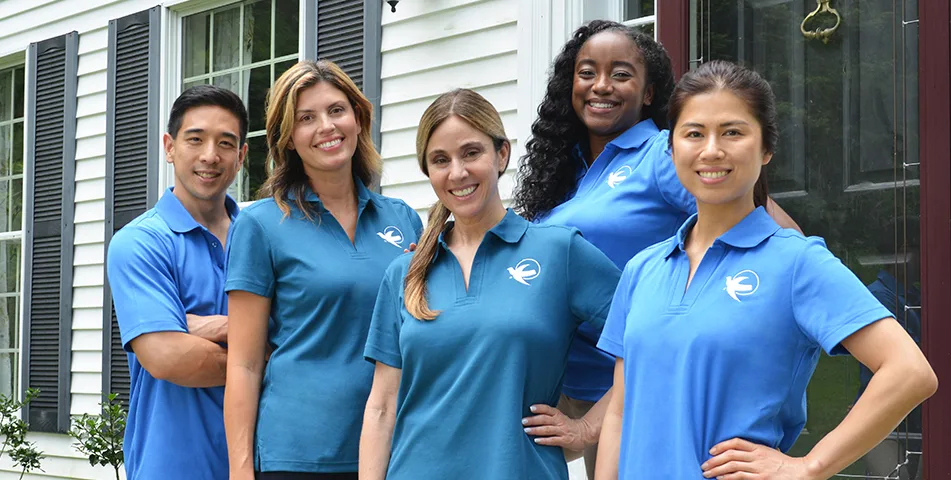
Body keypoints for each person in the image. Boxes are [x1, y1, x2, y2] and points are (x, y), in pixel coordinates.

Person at [594, 60, 937, 479]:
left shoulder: (796, 262)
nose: (712, 149)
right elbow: (620, 411)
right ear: (672, 149)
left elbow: (909, 372)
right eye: (694, 133)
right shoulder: (641, 269)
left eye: (733, 132)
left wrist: (810, 466)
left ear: (766, 149)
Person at [513, 20, 799, 478]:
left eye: (621, 74)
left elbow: (776, 235)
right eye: (587, 72)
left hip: (627, 394)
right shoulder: (563, 172)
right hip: (560, 381)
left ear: (649, 94)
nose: (601, 85)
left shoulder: (658, 155)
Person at [358, 88, 621, 480]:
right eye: (440, 160)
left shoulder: (559, 252)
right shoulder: (406, 271)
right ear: (428, 172)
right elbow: (382, 405)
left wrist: (586, 428)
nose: (458, 173)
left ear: (501, 154)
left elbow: (649, 341)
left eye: (471, 153)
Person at [223, 60, 422, 480]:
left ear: (358, 117)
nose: (326, 127)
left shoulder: (403, 219)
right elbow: (243, 364)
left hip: (394, 447)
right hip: (298, 455)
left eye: (336, 110)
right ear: (289, 139)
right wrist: (240, 472)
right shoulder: (260, 225)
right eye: (306, 118)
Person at [107, 84, 248, 479]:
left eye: (225, 143)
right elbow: (169, 357)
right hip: (171, 467)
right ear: (169, 147)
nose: (210, 155)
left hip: (259, 465)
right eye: (195, 139)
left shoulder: (262, 238)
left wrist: (202, 325)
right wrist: (262, 346)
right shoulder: (139, 242)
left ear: (241, 157)